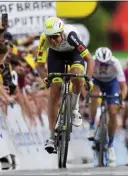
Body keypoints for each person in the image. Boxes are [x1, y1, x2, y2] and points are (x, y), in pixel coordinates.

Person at [36, 17, 94, 153]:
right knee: (54, 90)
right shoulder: (44, 39)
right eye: (50, 37)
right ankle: (51, 136)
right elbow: (39, 65)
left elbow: (89, 60)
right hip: (56, 56)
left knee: (77, 75)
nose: (53, 41)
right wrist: (45, 78)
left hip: (74, 54)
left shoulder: (71, 36)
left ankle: (74, 109)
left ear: (62, 33)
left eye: (55, 37)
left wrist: (89, 80)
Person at [87, 47, 128, 166]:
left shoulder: (115, 63)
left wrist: (121, 99)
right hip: (96, 81)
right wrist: (86, 96)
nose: (103, 66)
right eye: (101, 63)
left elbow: (124, 87)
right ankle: (91, 126)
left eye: (106, 64)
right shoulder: (92, 61)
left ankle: (110, 145)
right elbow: (85, 82)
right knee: (94, 95)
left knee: (113, 113)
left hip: (111, 83)